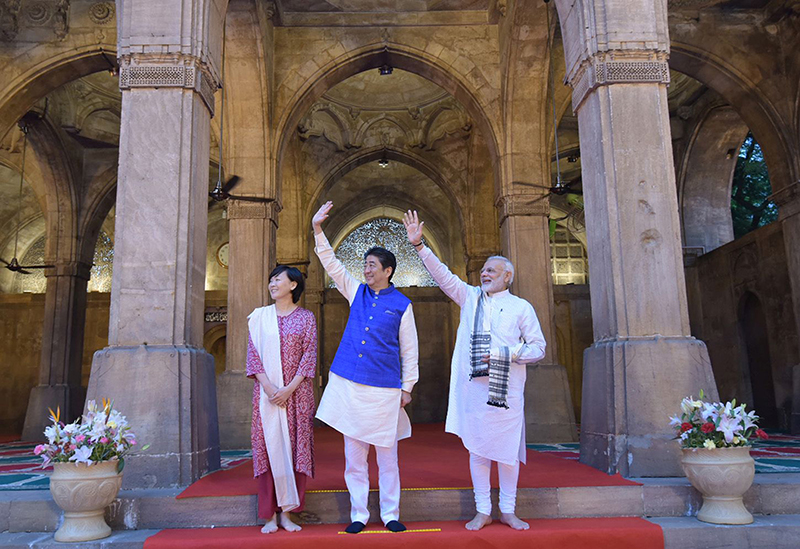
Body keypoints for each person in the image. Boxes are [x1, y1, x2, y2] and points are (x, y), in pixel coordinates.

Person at [403, 210, 546, 531]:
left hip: (506, 391)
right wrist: (419, 246)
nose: (485, 274)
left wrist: (502, 354)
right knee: (479, 450)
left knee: (507, 453)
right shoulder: (470, 298)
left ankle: (508, 510)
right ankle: (483, 510)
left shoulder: (521, 307)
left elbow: (539, 348)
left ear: (508, 276)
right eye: (483, 270)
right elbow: (443, 276)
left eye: (492, 270)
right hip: (474, 389)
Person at [312, 201, 419, 534]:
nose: (366, 269)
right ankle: (359, 514)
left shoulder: (402, 304)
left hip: (385, 388)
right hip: (350, 385)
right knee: (354, 456)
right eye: (365, 264)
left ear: (388, 270)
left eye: (372, 265)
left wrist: (407, 388)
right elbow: (331, 264)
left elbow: (410, 349)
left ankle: (390, 514)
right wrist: (318, 229)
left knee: (387, 458)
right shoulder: (355, 291)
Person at [246, 265, 318, 534]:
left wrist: (289, 389)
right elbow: (253, 356)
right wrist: (268, 387)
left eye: (278, 279)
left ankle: (288, 513)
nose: (272, 284)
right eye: (271, 280)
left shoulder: (307, 318)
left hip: (297, 397)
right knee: (267, 449)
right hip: (266, 397)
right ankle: (269, 516)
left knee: (294, 449)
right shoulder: (259, 318)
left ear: (293, 285)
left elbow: (309, 357)